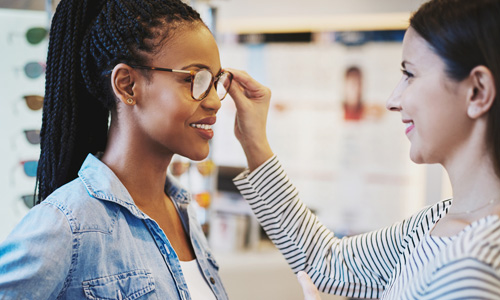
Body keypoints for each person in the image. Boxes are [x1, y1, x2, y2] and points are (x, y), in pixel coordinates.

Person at [228, 0, 500, 298]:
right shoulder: (435, 221)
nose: (393, 100)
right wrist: (255, 143)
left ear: (477, 92)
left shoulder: (477, 261)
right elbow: (326, 263)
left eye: (410, 74)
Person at [0, 0, 232, 299]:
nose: (214, 101)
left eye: (215, 82)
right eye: (195, 80)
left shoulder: (182, 211)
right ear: (127, 85)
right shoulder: (66, 224)